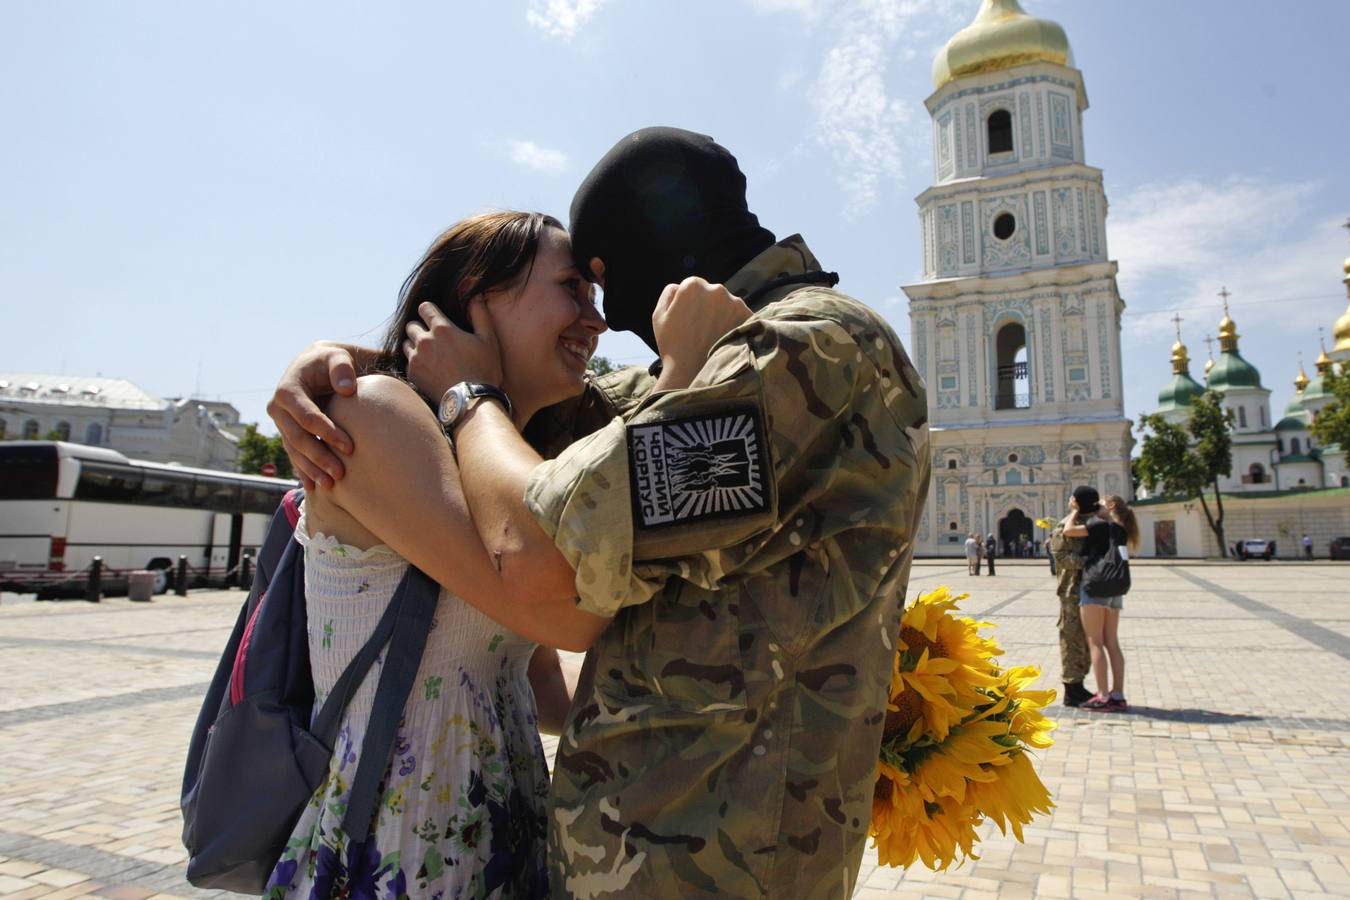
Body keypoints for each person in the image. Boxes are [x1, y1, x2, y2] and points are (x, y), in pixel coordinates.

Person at [270, 127, 931, 899]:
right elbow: (593, 440)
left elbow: (545, 557)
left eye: (601, 280)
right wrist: (349, 365)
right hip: (560, 852)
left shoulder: (793, 348)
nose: (607, 320)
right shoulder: (743, 354)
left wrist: (468, 394)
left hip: (702, 870)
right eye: (576, 288)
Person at [262, 211, 736, 899]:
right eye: (571, 288)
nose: (597, 321)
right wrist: (683, 380)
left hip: (499, 846)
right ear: (480, 297)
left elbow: (537, 684)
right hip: (402, 852)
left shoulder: (499, 459)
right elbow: (563, 614)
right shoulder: (376, 413)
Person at [1063, 492, 1138, 712]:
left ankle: (1103, 695)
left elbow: (1068, 530)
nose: (1097, 506)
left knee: (1095, 641)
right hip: (1115, 589)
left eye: (1101, 503)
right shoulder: (1121, 528)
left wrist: (1075, 511)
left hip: (1095, 586)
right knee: (1112, 642)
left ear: (1111, 505)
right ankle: (1118, 694)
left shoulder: (1100, 525)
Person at [1050, 489, 1093, 708]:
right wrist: (1090, 562)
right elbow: (1060, 557)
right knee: (1071, 636)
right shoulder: (1066, 526)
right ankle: (1072, 687)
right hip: (1071, 591)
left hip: (1090, 590)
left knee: (1086, 639)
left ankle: (1080, 681)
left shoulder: (1092, 524)